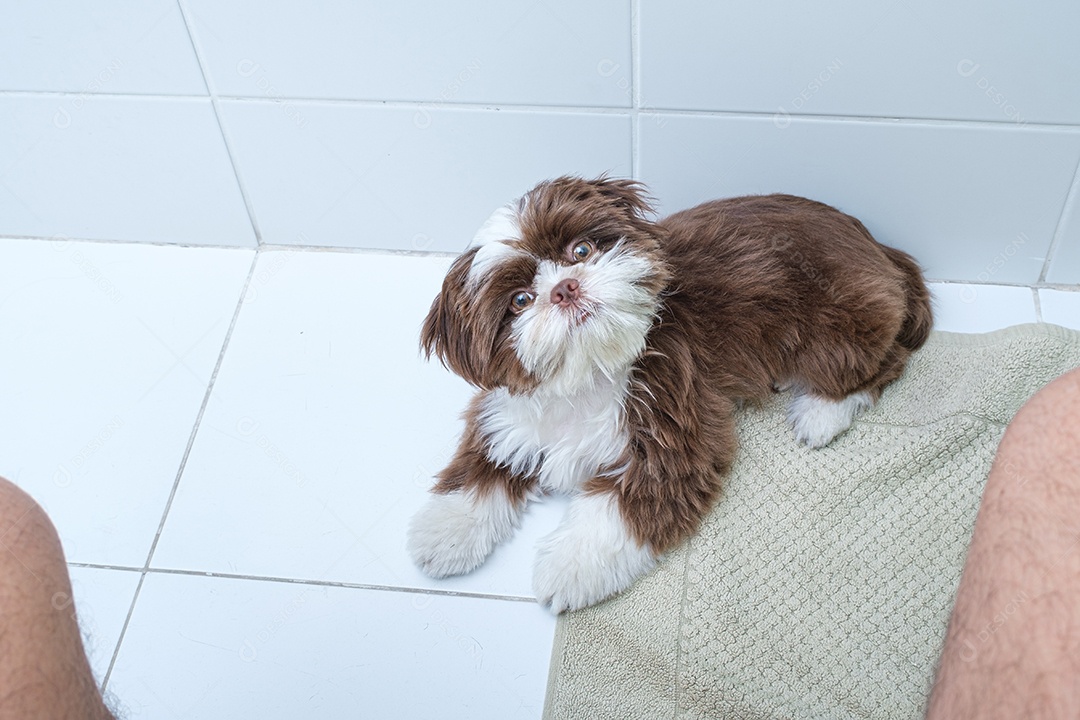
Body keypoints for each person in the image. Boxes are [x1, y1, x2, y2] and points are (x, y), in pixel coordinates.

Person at [0, 367, 1077, 718]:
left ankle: (850, 368)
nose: (567, 290)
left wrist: (603, 533)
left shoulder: (654, 378)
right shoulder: (507, 398)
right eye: (528, 292)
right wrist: (480, 492)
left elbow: (684, 465)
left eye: (593, 259)